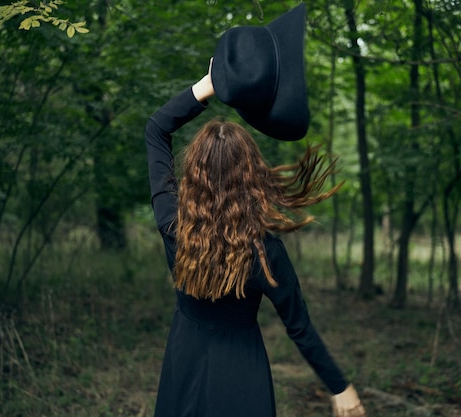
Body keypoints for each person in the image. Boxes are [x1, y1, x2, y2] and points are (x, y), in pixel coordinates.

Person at [144, 3, 366, 417]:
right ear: (250, 176)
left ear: (193, 172)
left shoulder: (172, 222)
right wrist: (341, 388)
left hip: (184, 365)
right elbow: (300, 327)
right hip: (241, 377)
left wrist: (208, 85)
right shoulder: (265, 252)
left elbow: (156, 128)